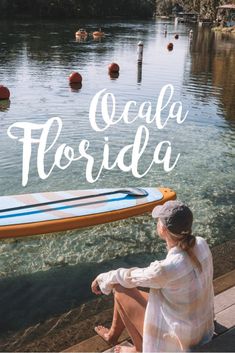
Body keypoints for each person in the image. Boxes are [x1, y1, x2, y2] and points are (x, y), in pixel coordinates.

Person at [91, 201, 214, 353]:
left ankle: (138, 348)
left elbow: (129, 278)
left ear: (162, 229)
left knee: (119, 287)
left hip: (179, 342)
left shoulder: (165, 269)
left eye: (158, 220)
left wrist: (102, 278)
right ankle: (111, 335)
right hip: (201, 330)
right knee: (120, 282)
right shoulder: (201, 244)